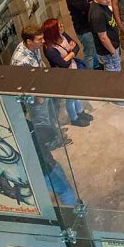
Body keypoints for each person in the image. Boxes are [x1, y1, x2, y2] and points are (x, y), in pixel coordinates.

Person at [10, 25, 78, 203]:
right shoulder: (20, 60)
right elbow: (24, 85)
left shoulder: (34, 49)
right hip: (36, 100)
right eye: (39, 39)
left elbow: (39, 68)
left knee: (50, 118)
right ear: (28, 41)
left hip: (44, 92)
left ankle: (53, 137)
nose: (43, 42)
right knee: (42, 122)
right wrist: (40, 98)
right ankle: (49, 142)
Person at [41, 18, 92, 127]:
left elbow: (77, 47)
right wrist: (71, 51)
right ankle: (74, 118)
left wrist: (69, 55)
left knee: (77, 93)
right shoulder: (49, 48)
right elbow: (63, 64)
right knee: (70, 98)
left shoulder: (62, 35)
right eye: (59, 26)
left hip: (73, 68)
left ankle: (80, 112)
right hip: (63, 76)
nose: (62, 26)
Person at [88, 0, 124, 84]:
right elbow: (103, 37)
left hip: (113, 46)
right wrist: (113, 52)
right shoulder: (97, 14)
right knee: (114, 74)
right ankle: (116, 96)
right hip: (108, 51)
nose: (108, 0)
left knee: (116, 71)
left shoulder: (102, 5)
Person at [64, 0, 99, 69]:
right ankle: (89, 73)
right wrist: (95, 2)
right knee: (89, 52)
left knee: (94, 49)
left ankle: (97, 66)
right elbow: (87, 7)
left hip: (92, 23)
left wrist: (94, 1)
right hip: (84, 29)